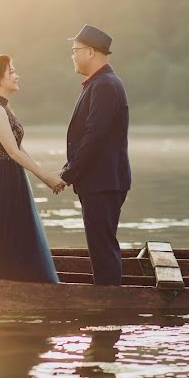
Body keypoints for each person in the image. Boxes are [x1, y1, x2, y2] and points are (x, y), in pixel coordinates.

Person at [0, 47, 66, 283]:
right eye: (12, 72)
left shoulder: (4, 108)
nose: (16, 76)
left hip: (10, 175)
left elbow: (18, 147)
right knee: (0, 234)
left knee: (16, 234)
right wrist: (45, 177)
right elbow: (12, 151)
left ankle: (18, 283)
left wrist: (45, 172)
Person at [59, 25, 131, 285]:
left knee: (102, 248)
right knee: (102, 246)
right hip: (98, 182)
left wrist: (67, 175)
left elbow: (94, 138)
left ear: (90, 52)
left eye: (75, 51)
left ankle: (108, 307)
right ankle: (107, 299)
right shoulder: (98, 84)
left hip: (103, 182)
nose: (73, 56)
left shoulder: (105, 86)